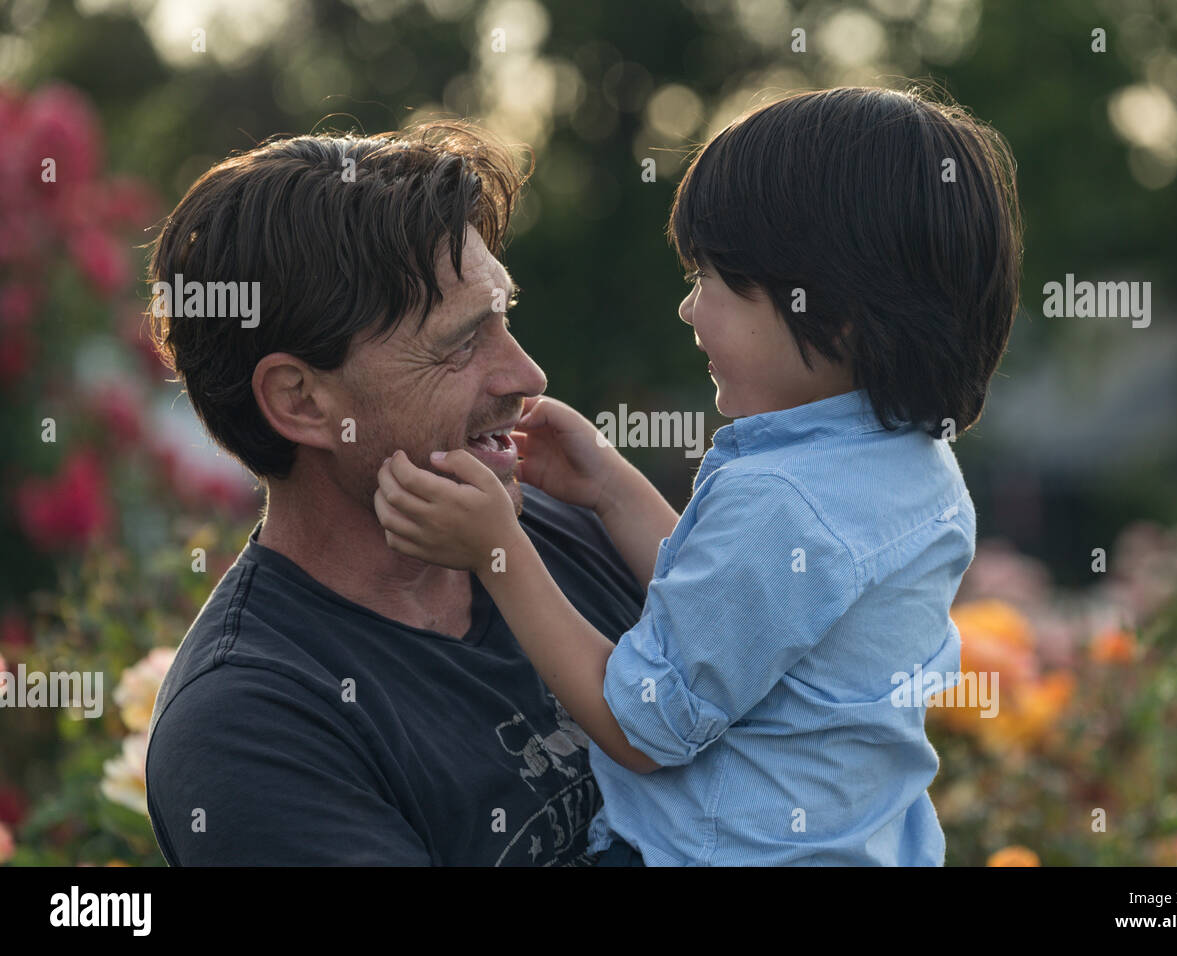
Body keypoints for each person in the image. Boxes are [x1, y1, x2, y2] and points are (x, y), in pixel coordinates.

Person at [373, 86, 1024, 865]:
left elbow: (641, 726)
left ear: (837, 312)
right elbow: (737, 614)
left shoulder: (785, 500)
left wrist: (497, 552)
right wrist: (611, 487)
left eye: (712, 281)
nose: (690, 311)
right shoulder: (907, 466)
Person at [144, 121, 647, 865]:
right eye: (462, 343)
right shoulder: (250, 724)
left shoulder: (582, 527)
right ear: (302, 402)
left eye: (504, 318)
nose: (527, 376)